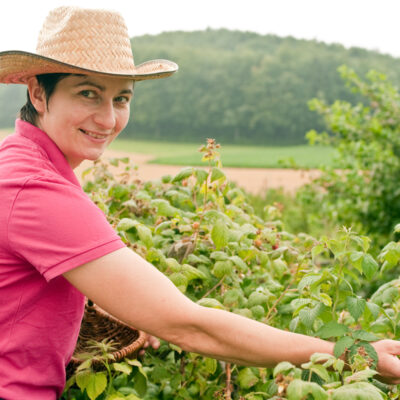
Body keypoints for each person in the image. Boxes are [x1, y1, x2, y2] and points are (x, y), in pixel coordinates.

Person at [1, 6, 400, 400]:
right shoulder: (34, 188)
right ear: (38, 92)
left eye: (121, 98)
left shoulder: (18, 161)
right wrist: (348, 353)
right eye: (88, 93)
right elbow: (188, 326)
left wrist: (130, 308)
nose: (107, 119)